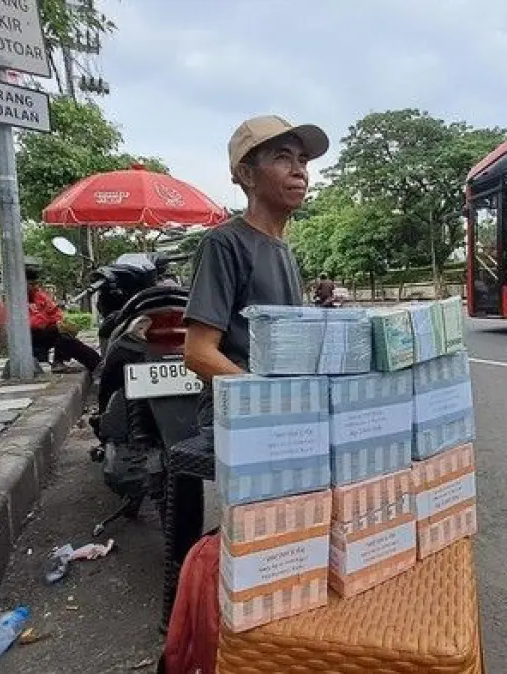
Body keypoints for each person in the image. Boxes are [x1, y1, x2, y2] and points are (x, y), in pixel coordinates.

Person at [178, 114, 329, 559]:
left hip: (284, 410)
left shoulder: (283, 250)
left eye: (302, 160)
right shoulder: (224, 244)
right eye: (282, 158)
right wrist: (272, 402)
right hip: (239, 413)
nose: (300, 170)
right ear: (246, 174)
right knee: (264, 540)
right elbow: (199, 353)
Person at [12, 267, 101, 374]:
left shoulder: (39, 295)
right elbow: (28, 323)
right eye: (31, 283)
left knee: (66, 338)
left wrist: (51, 321)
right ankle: (97, 364)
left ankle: (97, 364)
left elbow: (57, 313)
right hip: (24, 338)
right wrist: (47, 319)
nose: (35, 286)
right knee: (61, 333)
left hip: (44, 332)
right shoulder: (13, 300)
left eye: (36, 283)